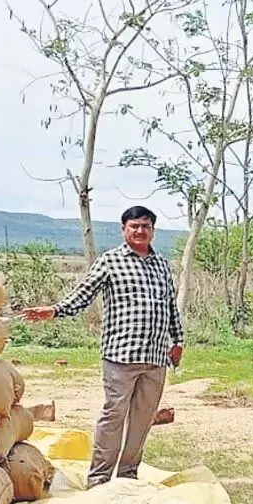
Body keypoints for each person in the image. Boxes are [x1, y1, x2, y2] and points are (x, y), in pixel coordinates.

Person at [22, 206, 184, 488]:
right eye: (134, 226)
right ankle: (99, 478)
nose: (140, 231)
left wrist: (177, 341)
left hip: (156, 356)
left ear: (153, 231)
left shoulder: (161, 265)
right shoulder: (111, 261)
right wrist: (54, 310)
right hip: (121, 356)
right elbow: (83, 295)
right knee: (114, 417)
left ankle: (128, 475)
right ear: (124, 230)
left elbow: (170, 307)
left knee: (142, 420)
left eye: (146, 226)